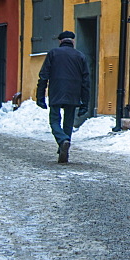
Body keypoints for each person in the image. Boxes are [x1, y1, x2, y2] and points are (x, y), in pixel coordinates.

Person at [36, 31, 91, 163]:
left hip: (56, 92)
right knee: (68, 123)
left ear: (60, 41)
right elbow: (86, 81)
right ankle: (64, 147)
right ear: (73, 41)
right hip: (74, 93)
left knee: (54, 121)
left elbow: (43, 76)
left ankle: (62, 141)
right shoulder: (80, 56)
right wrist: (85, 103)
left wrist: (40, 97)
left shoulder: (53, 54)